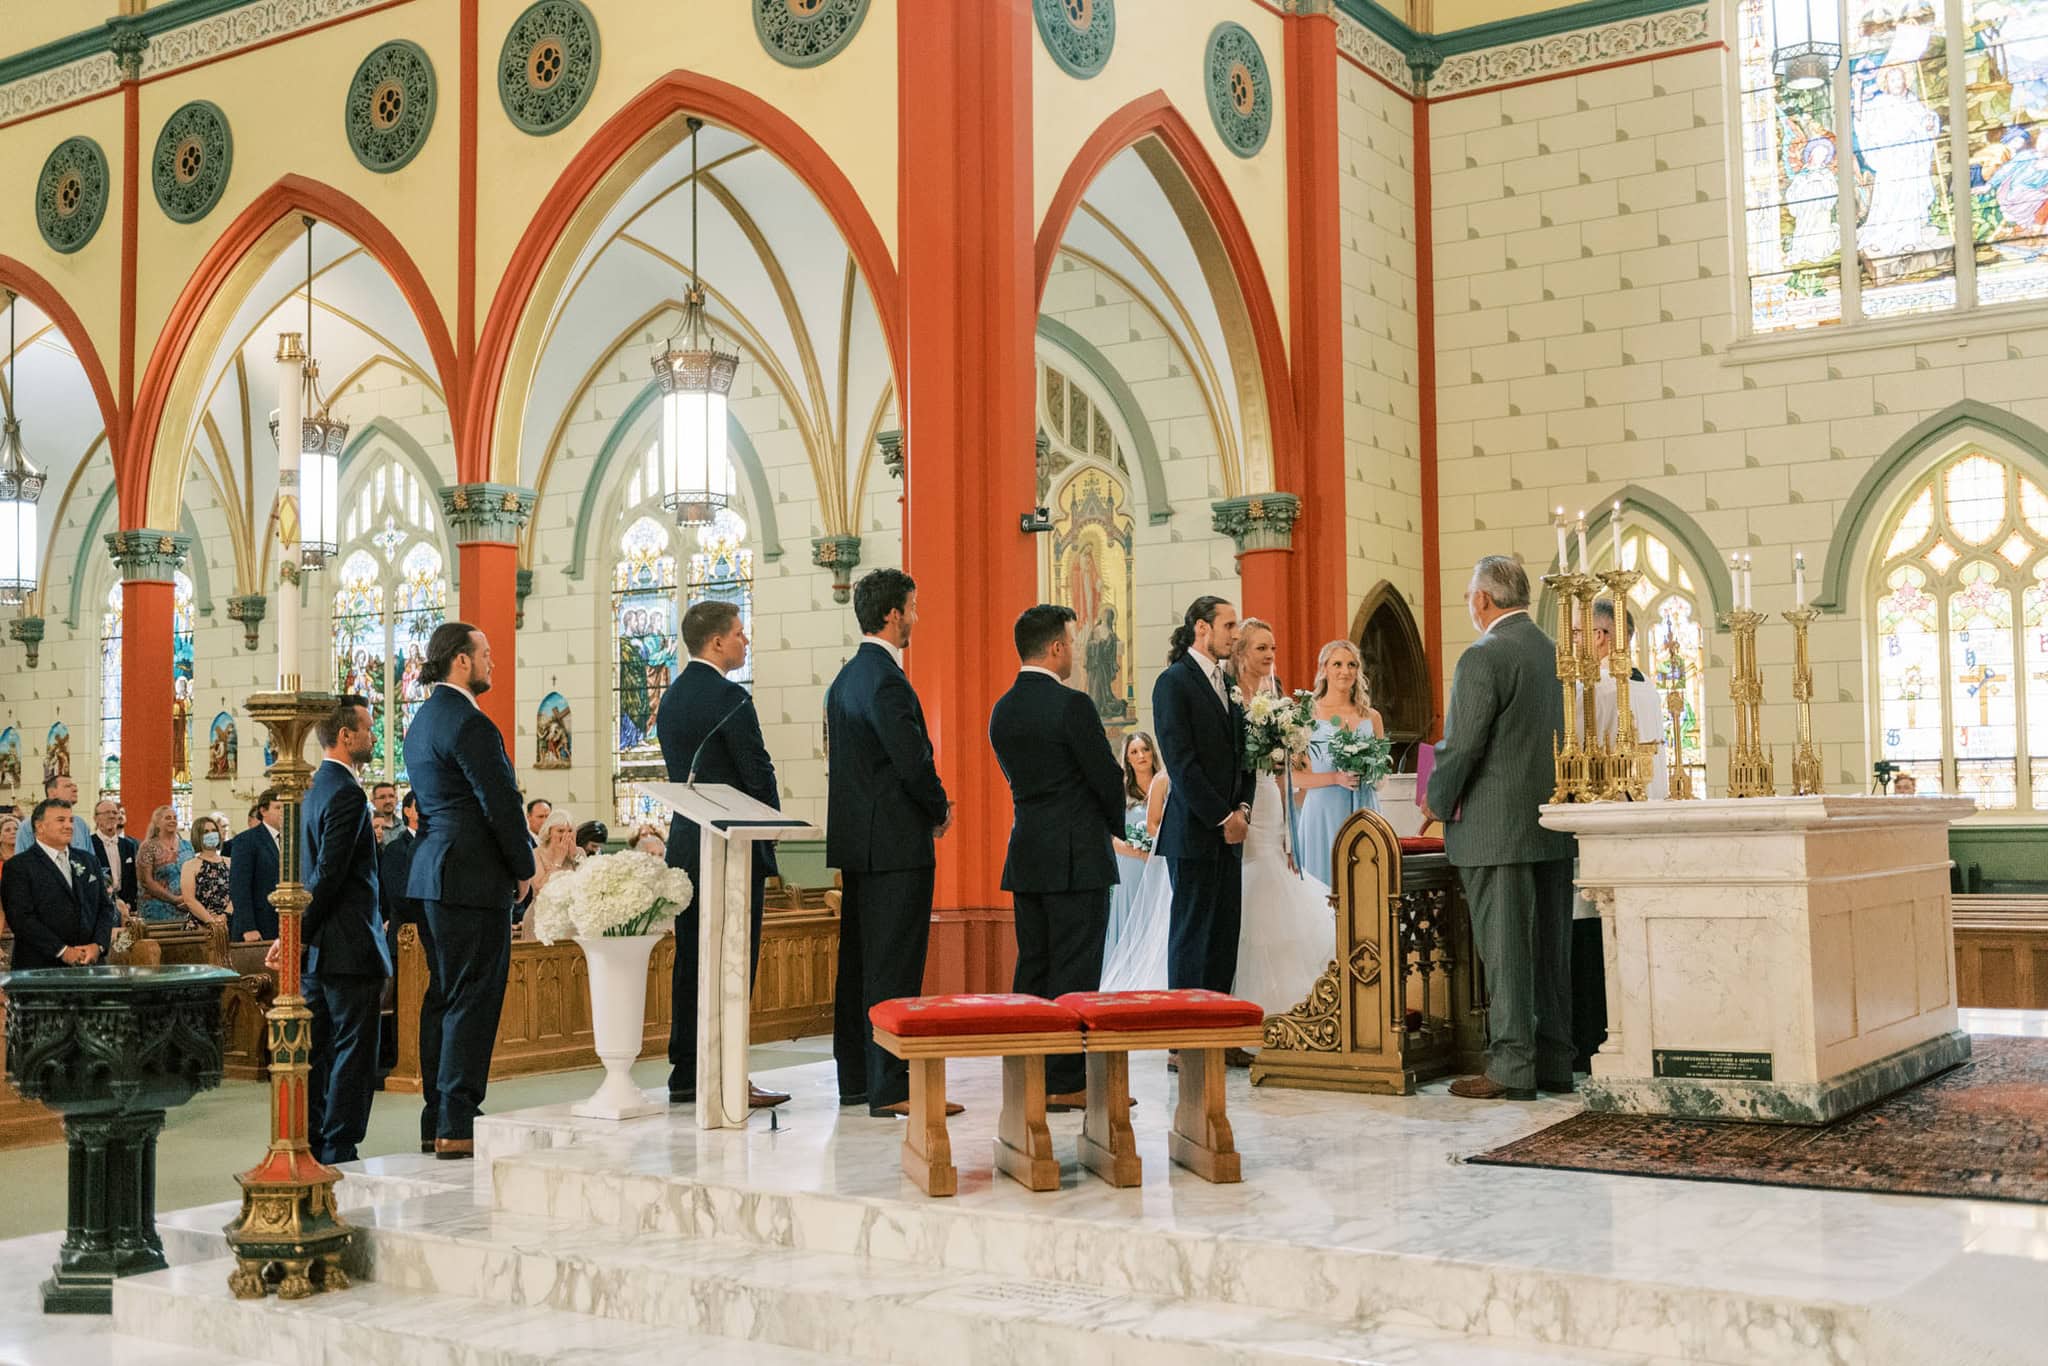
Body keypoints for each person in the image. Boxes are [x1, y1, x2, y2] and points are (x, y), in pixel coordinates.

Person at [1420, 555, 1576, 1101]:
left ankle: (1512, 1067)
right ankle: (1555, 1060)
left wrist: (1435, 800)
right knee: (1550, 950)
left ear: (1482, 600)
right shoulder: (1557, 654)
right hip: (1554, 824)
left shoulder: (1484, 656)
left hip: (1496, 829)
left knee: (1506, 951)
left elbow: (1463, 745)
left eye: (1469, 597)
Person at [403, 622, 535, 1159]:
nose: (493, 663)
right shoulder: (471, 724)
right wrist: (524, 866)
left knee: (442, 997)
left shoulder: (421, 723)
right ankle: (457, 1121)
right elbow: (500, 802)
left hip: (433, 874)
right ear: (461, 661)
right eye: (487, 654)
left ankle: (435, 1115)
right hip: (474, 876)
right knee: (472, 999)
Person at [827, 568, 956, 1118]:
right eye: (913, 607)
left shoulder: (844, 680)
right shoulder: (885, 680)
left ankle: (856, 1078)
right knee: (894, 968)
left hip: (859, 844)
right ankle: (892, 1086)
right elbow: (911, 759)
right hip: (896, 846)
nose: (917, 619)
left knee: (858, 965)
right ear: (892, 615)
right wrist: (938, 807)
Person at [655, 598, 790, 1110]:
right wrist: (771, 830)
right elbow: (756, 770)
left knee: (692, 959)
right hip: (733, 845)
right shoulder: (731, 698)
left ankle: (686, 1074)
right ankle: (730, 1074)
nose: (745, 641)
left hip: (688, 845)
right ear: (716, 642)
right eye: (739, 633)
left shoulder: (670, 699)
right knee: (734, 959)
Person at [989, 604, 1126, 1107]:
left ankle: (1029, 1073)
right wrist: (1116, 826)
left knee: (1034, 967)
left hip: (1027, 851)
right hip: (1077, 855)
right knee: (1076, 970)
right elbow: (1105, 777)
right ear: (1055, 648)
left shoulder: (1002, 709)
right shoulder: (1072, 706)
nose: (1074, 651)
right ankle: (1067, 1081)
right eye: (1070, 641)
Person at [276, 695, 393, 1166]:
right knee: (353, 1050)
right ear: (345, 737)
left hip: (320, 948)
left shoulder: (308, 788)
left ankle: (315, 1137)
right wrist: (295, 935)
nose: (372, 735)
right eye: (366, 728)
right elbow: (328, 873)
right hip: (347, 945)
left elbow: (300, 872)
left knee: (319, 1048)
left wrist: (296, 935)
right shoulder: (346, 793)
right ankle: (340, 1143)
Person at [1222, 619, 1342, 1026]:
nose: (1270, 655)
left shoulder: (1276, 694)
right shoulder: (1230, 694)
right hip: (1243, 798)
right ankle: (1246, 1001)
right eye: (1261, 648)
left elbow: (1285, 763)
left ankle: (1290, 1001)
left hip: (1272, 799)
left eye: (1272, 647)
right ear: (1241, 652)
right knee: (1253, 886)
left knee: (1277, 874)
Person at [1151, 596, 1253, 1000]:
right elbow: (1181, 762)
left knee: (1224, 936)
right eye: (1229, 625)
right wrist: (1221, 817)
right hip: (1195, 832)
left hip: (1231, 833)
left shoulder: (1228, 684)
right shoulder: (1173, 682)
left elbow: (1244, 756)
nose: (1236, 633)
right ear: (1202, 628)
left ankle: (1219, 1034)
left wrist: (1243, 808)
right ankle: (1184, 1038)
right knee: (1192, 935)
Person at [380, 790, 444, 1152]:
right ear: (408, 811)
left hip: (433, 933)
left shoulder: (434, 844)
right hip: (409, 936)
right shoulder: (396, 849)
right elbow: (400, 894)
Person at [1295, 640, 1385, 886]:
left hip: (1365, 806)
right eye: (1337, 664)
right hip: (1323, 811)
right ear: (1324, 669)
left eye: (1351, 665)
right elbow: (1294, 776)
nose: (1345, 671)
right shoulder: (1307, 714)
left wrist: (1373, 775)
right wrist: (1335, 778)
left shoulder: (1372, 717)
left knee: (1366, 887)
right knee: (1324, 887)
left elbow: (1382, 774)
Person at [0, 798, 119, 969]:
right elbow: (21, 918)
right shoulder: (19, 866)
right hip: (41, 967)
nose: (69, 826)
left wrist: (98, 946)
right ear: (40, 826)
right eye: (60, 820)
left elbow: (105, 907)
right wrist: (63, 951)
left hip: (89, 964)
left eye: (71, 820)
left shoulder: (89, 860)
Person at [1106, 732, 1161, 967]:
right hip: (1129, 867)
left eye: (1145, 749)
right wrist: (1140, 852)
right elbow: (1109, 837)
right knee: (1129, 919)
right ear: (1127, 759)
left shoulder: (1167, 786)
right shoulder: (1120, 792)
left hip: (1159, 867)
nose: (1141, 756)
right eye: (1134, 752)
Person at [228, 788, 283, 942]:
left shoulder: (292, 838)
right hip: (258, 923)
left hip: (283, 921)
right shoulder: (247, 840)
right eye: (278, 807)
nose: (283, 812)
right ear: (263, 811)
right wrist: (248, 927)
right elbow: (239, 887)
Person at [134, 806, 195, 924]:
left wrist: (189, 899)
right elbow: (146, 881)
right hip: (156, 910)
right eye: (168, 818)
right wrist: (174, 899)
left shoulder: (187, 845)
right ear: (157, 823)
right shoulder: (148, 847)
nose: (172, 820)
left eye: (175, 818)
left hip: (185, 908)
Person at [176, 814, 233, 931]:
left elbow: (238, 893)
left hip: (228, 922)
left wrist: (224, 916)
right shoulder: (190, 865)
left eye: (213, 830)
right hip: (200, 924)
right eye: (205, 832)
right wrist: (212, 922)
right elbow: (189, 900)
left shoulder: (230, 862)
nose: (211, 834)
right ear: (198, 836)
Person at [13, 773, 92, 856]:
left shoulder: (80, 824)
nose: (75, 789)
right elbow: (22, 863)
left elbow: (90, 860)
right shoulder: (28, 826)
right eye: (68, 786)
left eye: (74, 786)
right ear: (52, 792)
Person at [89, 797, 138, 912]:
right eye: (106, 813)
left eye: (114, 812)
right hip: (99, 905)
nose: (111, 816)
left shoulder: (128, 845)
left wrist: (129, 903)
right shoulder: (90, 844)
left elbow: (132, 878)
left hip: (126, 906)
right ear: (96, 818)